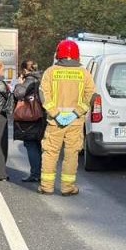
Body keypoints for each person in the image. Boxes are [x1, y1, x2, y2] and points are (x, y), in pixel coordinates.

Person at [38, 40, 95, 196]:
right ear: (77, 55)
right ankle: (67, 187)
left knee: (50, 153)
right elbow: (90, 96)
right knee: (71, 155)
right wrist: (75, 113)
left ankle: (46, 186)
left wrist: (56, 114)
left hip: (54, 122)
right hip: (75, 122)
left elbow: (44, 95)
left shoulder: (50, 72)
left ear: (58, 54)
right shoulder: (85, 73)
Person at [13, 60, 45, 182]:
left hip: (30, 117)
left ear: (25, 70)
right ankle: (41, 172)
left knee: (31, 144)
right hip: (41, 115)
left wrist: (19, 84)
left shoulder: (29, 80)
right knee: (38, 145)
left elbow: (18, 94)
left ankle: (35, 174)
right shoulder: (42, 78)